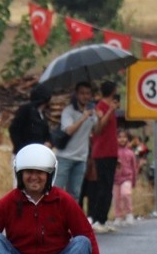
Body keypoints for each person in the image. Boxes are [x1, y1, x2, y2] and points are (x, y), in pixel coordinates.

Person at [53, 82, 98, 199]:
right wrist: (83, 117)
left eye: (88, 93)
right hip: (65, 157)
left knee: (74, 193)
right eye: (82, 93)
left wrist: (99, 115)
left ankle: (70, 217)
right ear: (76, 95)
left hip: (81, 158)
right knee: (56, 190)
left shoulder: (92, 112)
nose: (85, 96)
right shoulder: (68, 111)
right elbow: (69, 130)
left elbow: (97, 131)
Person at [86, 81, 120, 232]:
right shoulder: (99, 107)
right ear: (113, 90)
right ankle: (96, 218)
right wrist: (110, 111)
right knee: (101, 186)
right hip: (101, 152)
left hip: (112, 151)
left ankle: (103, 219)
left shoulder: (110, 106)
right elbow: (98, 129)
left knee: (108, 187)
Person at [8, 82, 52, 154]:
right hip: (23, 153)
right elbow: (14, 129)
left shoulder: (42, 114)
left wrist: (49, 142)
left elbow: (46, 133)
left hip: (37, 154)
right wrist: (21, 148)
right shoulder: (26, 109)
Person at [112, 129, 138, 224]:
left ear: (127, 139)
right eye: (119, 137)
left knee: (125, 194)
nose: (122, 139)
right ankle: (118, 216)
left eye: (124, 137)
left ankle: (129, 213)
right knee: (117, 198)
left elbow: (134, 168)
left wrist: (134, 181)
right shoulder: (114, 152)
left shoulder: (130, 153)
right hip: (115, 179)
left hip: (127, 178)